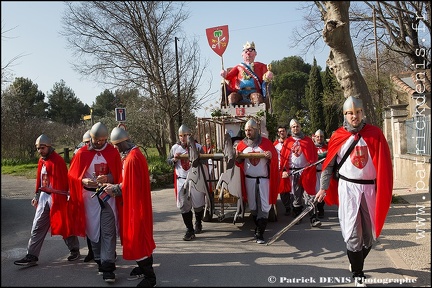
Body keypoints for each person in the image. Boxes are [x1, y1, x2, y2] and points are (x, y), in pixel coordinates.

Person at [315, 96, 393, 287]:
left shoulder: (375, 134)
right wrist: (324, 188)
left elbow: (384, 165)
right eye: (350, 113)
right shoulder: (337, 136)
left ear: (362, 112)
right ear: (345, 115)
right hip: (348, 188)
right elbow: (329, 165)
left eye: (357, 112)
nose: (354, 116)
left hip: (369, 189)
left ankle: (355, 261)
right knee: (353, 232)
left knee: (369, 234)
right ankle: (358, 274)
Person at [68, 122, 122, 283]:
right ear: (91, 138)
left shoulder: (112, 152)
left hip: (107, 196)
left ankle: (108, 266)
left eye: (103, 140)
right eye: (97, 140)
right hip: (88, 197)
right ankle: (99, 259)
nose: (100, 143)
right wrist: (83, 180)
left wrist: (108, 178)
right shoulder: (82, 153)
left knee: (108, 231)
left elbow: (118, 173)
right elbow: (72, 175)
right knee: (93, 232)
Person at [14, 134, 80, 267]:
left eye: (42, 148)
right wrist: (37, 195)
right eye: (38, 148)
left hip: (58, 198)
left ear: (48, 147)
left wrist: (62, 197)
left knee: (63, 225)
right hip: (44, 197)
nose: (40, 151)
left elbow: (63, 183)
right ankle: (31, 255)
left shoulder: (58, 161)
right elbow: (40, 180)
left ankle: (74, 249)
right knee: (37, 226)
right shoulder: (41, 160)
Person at [103, 127, 157, 287]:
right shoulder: (132, 156)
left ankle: (150, 277)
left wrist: (114, 189)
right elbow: (129, 183)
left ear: (123, 142)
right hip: (136, 204)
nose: (115, 149)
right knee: (140, 238)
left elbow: (130, 186)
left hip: (136, 207)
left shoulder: (133, 158)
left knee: (137, 238)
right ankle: (143, 268)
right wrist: (114, 186)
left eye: (117, 145)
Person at [235, 119, 278, 244]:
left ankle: (260, 233)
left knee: (264, 206)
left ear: (256, 130)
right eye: (246, 130)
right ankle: (258, 228)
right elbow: (238, 163)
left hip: (264, 180)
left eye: (250, 130)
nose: (248, 132)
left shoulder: (266, 143)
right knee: (253, 206)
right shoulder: (242, 145)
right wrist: (237, 157)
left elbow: (274, 159)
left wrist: (270, 156)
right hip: (249, 180)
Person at [167, 124, 206, 241]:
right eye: (180, 136)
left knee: (198, 205)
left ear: (190, 135)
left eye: (185, 135)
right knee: (184, 206)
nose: (182, 138)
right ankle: (189, 229)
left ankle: (198, 222)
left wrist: (199, 158)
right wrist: (174, 159)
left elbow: (205, 161)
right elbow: (168, 161)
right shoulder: (175, 148)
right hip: (182, 181)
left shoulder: (198, 147)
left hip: (195, 180)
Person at [279, 119, 320, 227]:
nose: (295, 128)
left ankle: (313, 218)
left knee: (310, 196)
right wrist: (284, 171)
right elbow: (283, 158)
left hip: (306, 172)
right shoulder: (288, 142)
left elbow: (314, 155)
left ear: (300, 127)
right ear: (290, 128)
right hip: (293, 172)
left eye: (297, 126)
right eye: (293, 127)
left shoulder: (308, 141)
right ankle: (297, 217)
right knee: (296, 197)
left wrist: (311, 165)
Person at [220, 41, 273, 106]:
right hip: (240, 92)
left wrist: (268, 75)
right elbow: (229, 76)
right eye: (246, 52)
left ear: (255, 54)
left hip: (254, 91)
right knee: (232, 97)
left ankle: (258, 114)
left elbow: (265, 77)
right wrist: (224, 74)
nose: (248, 54)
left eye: (251, 51)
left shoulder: (261, 66)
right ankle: (232, 113)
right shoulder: (239, 67)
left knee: (257, 97)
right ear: (242, 54)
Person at [273, 125, 293, 216]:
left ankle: (296, 207)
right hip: (281, 170)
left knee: (293, 190)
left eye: (283, 131)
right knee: (283, 190)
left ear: (286, 132)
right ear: (278, 133)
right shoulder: (275, 145)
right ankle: (287, 207)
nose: (282, 132)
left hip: (292, 168)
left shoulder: (292, 142)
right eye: (280, 131)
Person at [313, 129, 328, 219]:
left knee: (322, 192)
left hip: (323, 174)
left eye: (321, 136)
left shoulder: (327, 148)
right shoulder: (312, 147)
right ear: (314, 137)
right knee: (313, 193)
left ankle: (321, 209)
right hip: (313, 174)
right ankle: (313, 211)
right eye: (317, 136)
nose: (319, 138)